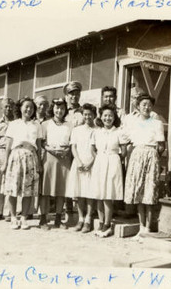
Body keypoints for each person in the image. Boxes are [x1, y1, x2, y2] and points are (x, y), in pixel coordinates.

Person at [124, 94, 166, 239]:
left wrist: (153, 157)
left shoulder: (157, 123)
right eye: (143, 105)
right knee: (138, 192)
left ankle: (148, 228)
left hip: (151, 154)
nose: (146, 107)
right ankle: (141, 227)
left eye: (149, 105)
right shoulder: (133, 123)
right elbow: (125, 139)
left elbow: (161, 146)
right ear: (138, 107)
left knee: (149, 192)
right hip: (136, 155)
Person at [2, 97, 43, 230]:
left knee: (28, 191)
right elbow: (8, 146)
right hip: (15, 157)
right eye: (26, 107)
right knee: (13, 189)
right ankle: (14, 217)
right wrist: (5, 162)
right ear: (20, 108)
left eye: (31, 107)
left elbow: (38, 146)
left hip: (30, 157)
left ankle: (24, 217)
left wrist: (39, 163)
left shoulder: (37, 125)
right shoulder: (14, 124)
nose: (29, 109)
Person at [90, 104, 127, 237]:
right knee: (99, 195)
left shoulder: (119, 132)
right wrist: (99, 159)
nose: (107, 118)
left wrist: (114, 159)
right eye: (105, 115)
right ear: (101, 116)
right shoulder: (97, 132)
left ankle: (107, 224)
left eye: (110, 115)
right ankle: (100, 223)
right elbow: (92, 149)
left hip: (113, 162)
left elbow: (123, 151)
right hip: (100, 162)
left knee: (108, 195)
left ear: (114, 117)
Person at [40, 98, 73, 230]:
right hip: (49, 158)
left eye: (62, 108)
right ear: (53, 109)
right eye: (57, 108)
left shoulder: (70, 125)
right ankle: (43, 219)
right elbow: (42, 142)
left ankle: (58, 219)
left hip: (64, 158)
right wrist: (51, 150)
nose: (59, 111)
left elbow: (72, 142)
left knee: (61, 190)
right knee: (46, 189)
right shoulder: (45, 124)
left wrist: (67, 150)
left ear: (65, 110)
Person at [66, 103, 97, 233]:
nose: (88, 117)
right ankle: (80, 219)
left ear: (95, 115)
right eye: (85, 114)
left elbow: (98, 150)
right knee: (79, 192)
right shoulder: (77, 130)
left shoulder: (97, 130)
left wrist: (91, 163)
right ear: (82, 115)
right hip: (79, 163)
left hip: (92, 164)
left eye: (90, 114)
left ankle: (89, 219)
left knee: (89, 192)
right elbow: (73, 147)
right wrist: (78, 161)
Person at [63, 81, 84, 224]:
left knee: (79, 179)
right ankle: (68, 212)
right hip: (65, 150)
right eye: (71, 94)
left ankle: (81, 213)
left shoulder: (83, 111)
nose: (74, 97)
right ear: (66, 96)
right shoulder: (62, 111)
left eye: (76, 94)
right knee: (66, 180)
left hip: (78, 150)